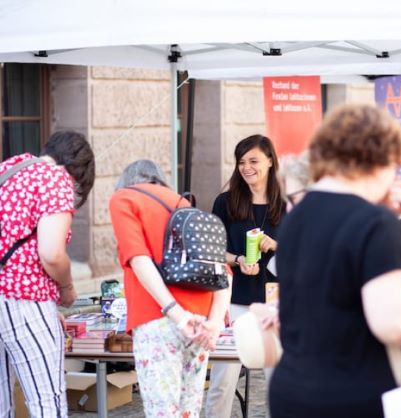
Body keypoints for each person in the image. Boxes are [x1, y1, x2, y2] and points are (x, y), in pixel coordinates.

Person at [269, 104, 401, 418]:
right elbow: (393, 322)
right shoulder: (373, 223)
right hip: (357, 397)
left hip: (294, 391)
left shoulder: (296, 217)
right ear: (377, 161)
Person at [109, 160, 230, 418]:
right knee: (188, 410)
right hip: (200, 323)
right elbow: (223, 274)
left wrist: (178, 315)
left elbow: (138, 259)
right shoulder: (182, 204)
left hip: (159, 320)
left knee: (162, 412)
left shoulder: (124, 198)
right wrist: (215, 323)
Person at [0, 131, 95, 418]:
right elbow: (51, 254)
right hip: (23, 298)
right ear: (79, 170)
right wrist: (65, 288)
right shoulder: (55, 179)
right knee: (46, 402)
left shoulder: (9, 168)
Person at [206, 135, 285, 418]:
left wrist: (276, 245)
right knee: (223, 380)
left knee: (279, 379)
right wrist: (237, 259)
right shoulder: (226, 202)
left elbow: (306, 250)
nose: (246, 167)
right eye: (241, 162)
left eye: (253, 160)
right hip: (235, 299)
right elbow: (214, 251)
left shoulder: (287, 203)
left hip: (277, 303)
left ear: (270, 161)